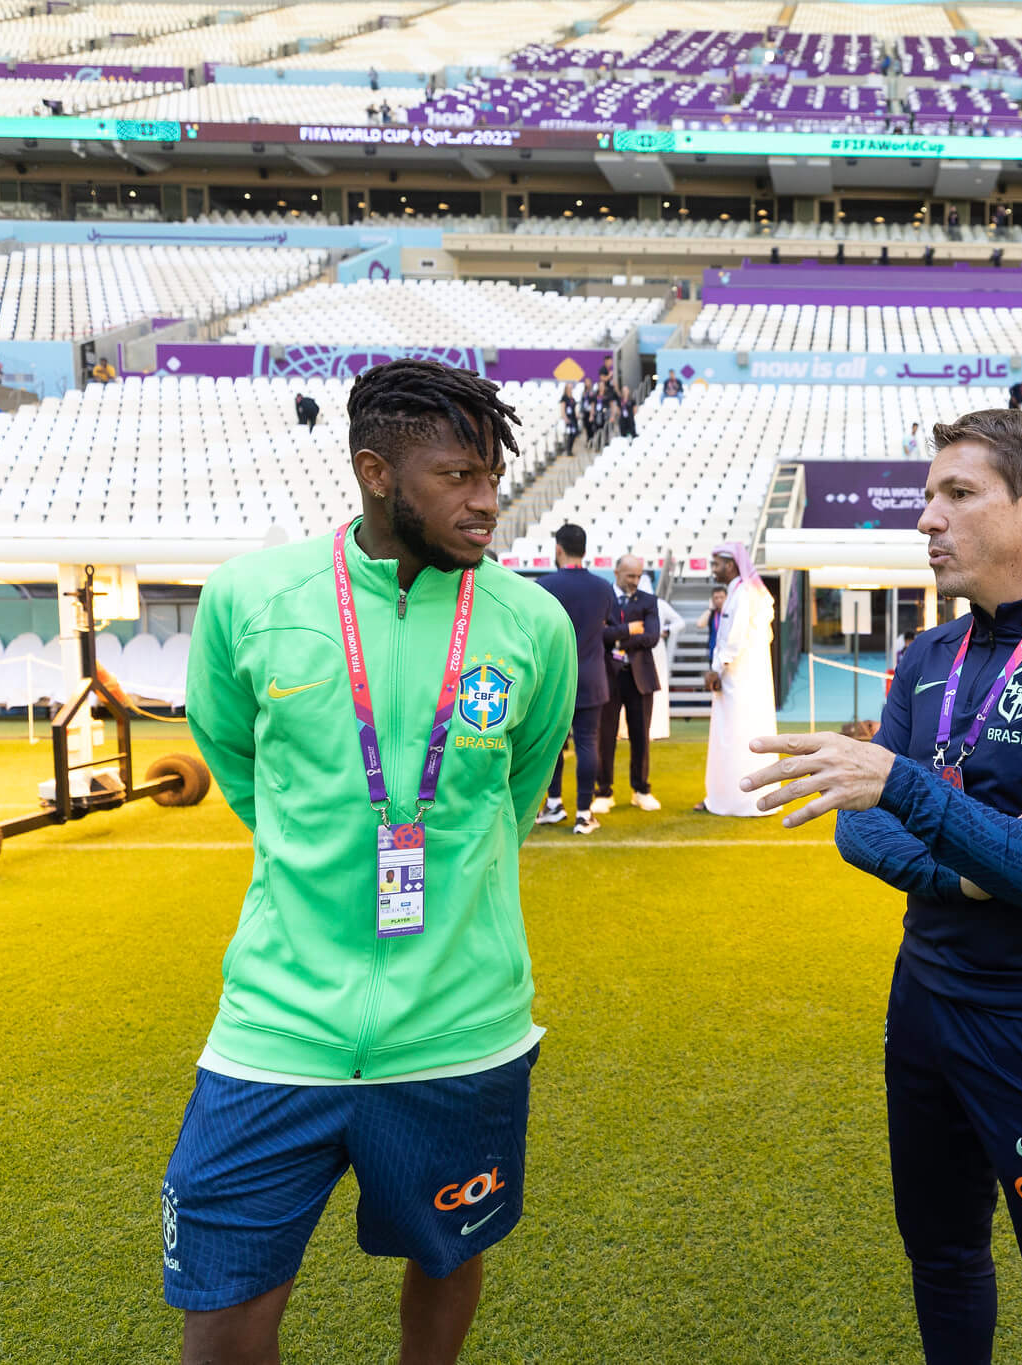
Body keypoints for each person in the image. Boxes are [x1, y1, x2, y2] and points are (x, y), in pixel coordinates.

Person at [738, 408, 1022, 1365]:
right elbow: (860, 831)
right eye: (929, 496)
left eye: (958, 494)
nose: (927, 518)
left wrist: (905, 789)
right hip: (927, 1005)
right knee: (940, 1257)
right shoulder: (929, 656)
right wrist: (977, 870)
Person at [169, 358, 576, 1364]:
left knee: (445, 1259)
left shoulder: (534, 625)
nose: (486, 501)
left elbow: (513, 797)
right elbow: (236, 762)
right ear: (376, 473)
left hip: (459, 1024)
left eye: (491, 474)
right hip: (277, 1023)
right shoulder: (252, 597)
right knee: (221, 1313)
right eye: (456, 476)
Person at [535, 523, 616, 835]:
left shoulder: (544, 584)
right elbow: (611, 627)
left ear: (558, 549)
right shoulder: (602, 587)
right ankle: (584, 812)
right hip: (591, 675)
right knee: (586, 743)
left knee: (554, 744)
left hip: (555, 677)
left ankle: (554, 803)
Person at [696, 541, 776, 817]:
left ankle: (738, 800)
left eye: (717, 564)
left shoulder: (743, 593)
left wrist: (716, 668)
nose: (713, 569)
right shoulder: (742, 592)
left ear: (730, 565)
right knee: (734, 735)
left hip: (739, 679)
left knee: (739, 736)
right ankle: (726, 796)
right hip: (742, 678)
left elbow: (734, 638)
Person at [596, 554, 662, 814]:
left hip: (640, 678)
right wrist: (630, 630)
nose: (635, 581)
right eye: (630, 576)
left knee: (640, 736)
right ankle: (603, 791)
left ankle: (641, 789)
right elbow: (598, 635)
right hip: (607, 676)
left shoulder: (649, 601)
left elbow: (652, 636)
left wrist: (618, 639)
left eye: (638, 576)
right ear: (616, 572)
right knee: (604, 736)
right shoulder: (602, 599)